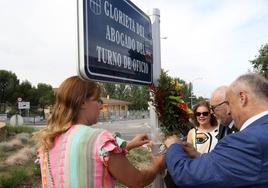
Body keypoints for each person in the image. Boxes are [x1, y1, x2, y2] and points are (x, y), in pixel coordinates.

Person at [34, 76, 163, 188]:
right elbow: (137, 181)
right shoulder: (98, 139)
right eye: (97, 100)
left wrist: (129, 145)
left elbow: (83, 157)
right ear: (83, 102)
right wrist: (156, 166)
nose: (101, 106)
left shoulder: (48, 142)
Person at [163, 73, 268, 187]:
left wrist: (173, 146)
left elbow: (186, 175)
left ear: (242, 98)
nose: (229, 112)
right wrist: (199, 156)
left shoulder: (247, 141)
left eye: (230, 104)